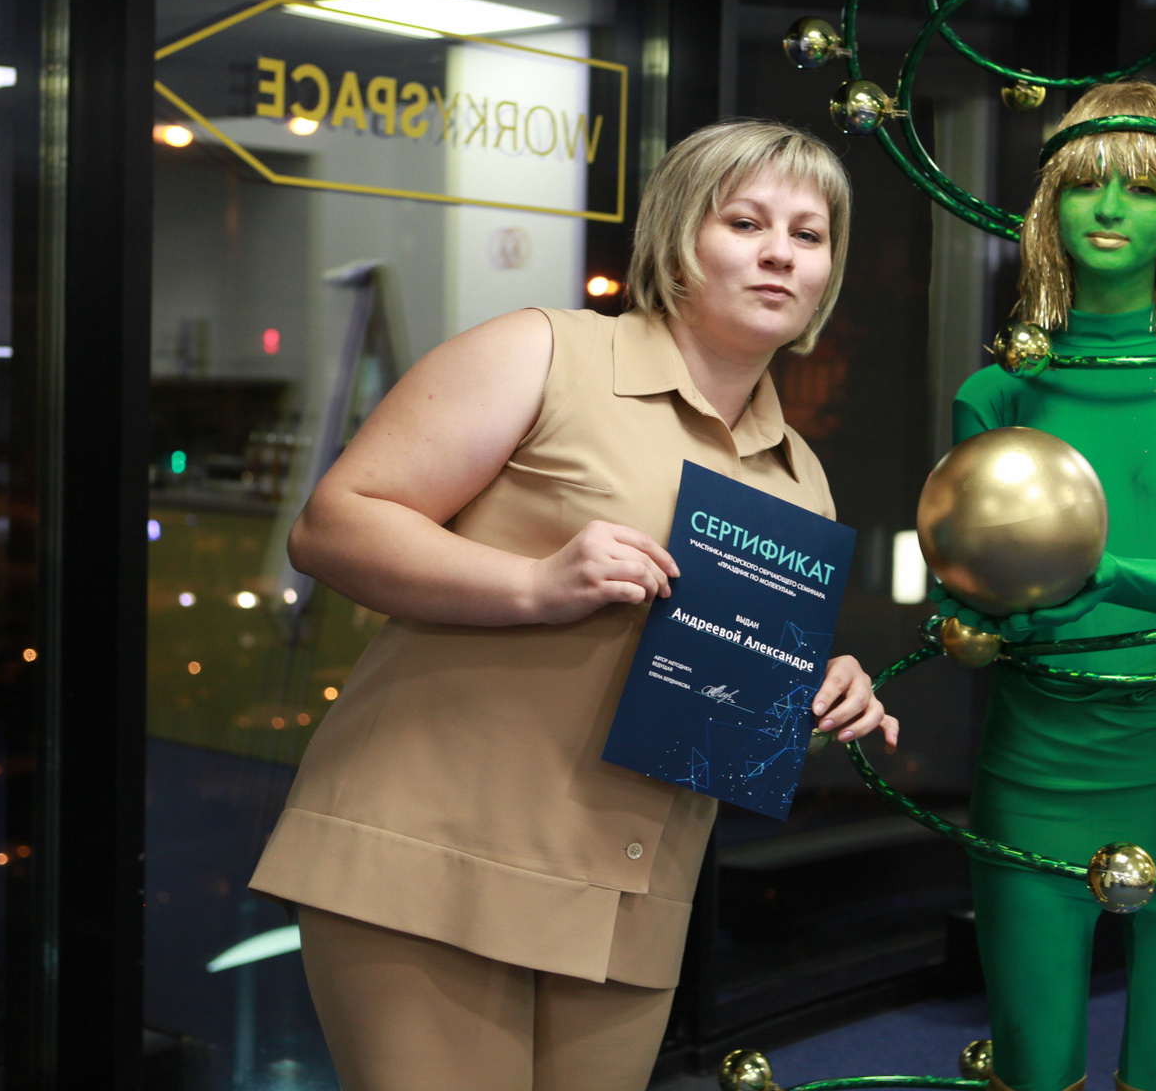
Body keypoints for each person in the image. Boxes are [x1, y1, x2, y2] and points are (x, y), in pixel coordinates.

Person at [250, 119, 899, 1091]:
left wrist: (815, 685)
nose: (780, 253)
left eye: (809, 235)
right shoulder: (544, 351)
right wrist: (534, 584)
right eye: (745, 222)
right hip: (436, 858)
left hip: (631, 899)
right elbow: (333, 526)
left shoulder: (799, 475)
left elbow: (718, 693)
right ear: (677, 240)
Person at [941, 82, 1156, 1091]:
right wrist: (979, 611)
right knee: (1034, 1067)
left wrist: (1104, 572)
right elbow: (977, 588)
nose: (1107, 208)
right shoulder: (998, 391)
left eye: (1141, 188)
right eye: (1084, 183)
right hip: (1039, 748)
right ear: (1049, 204)